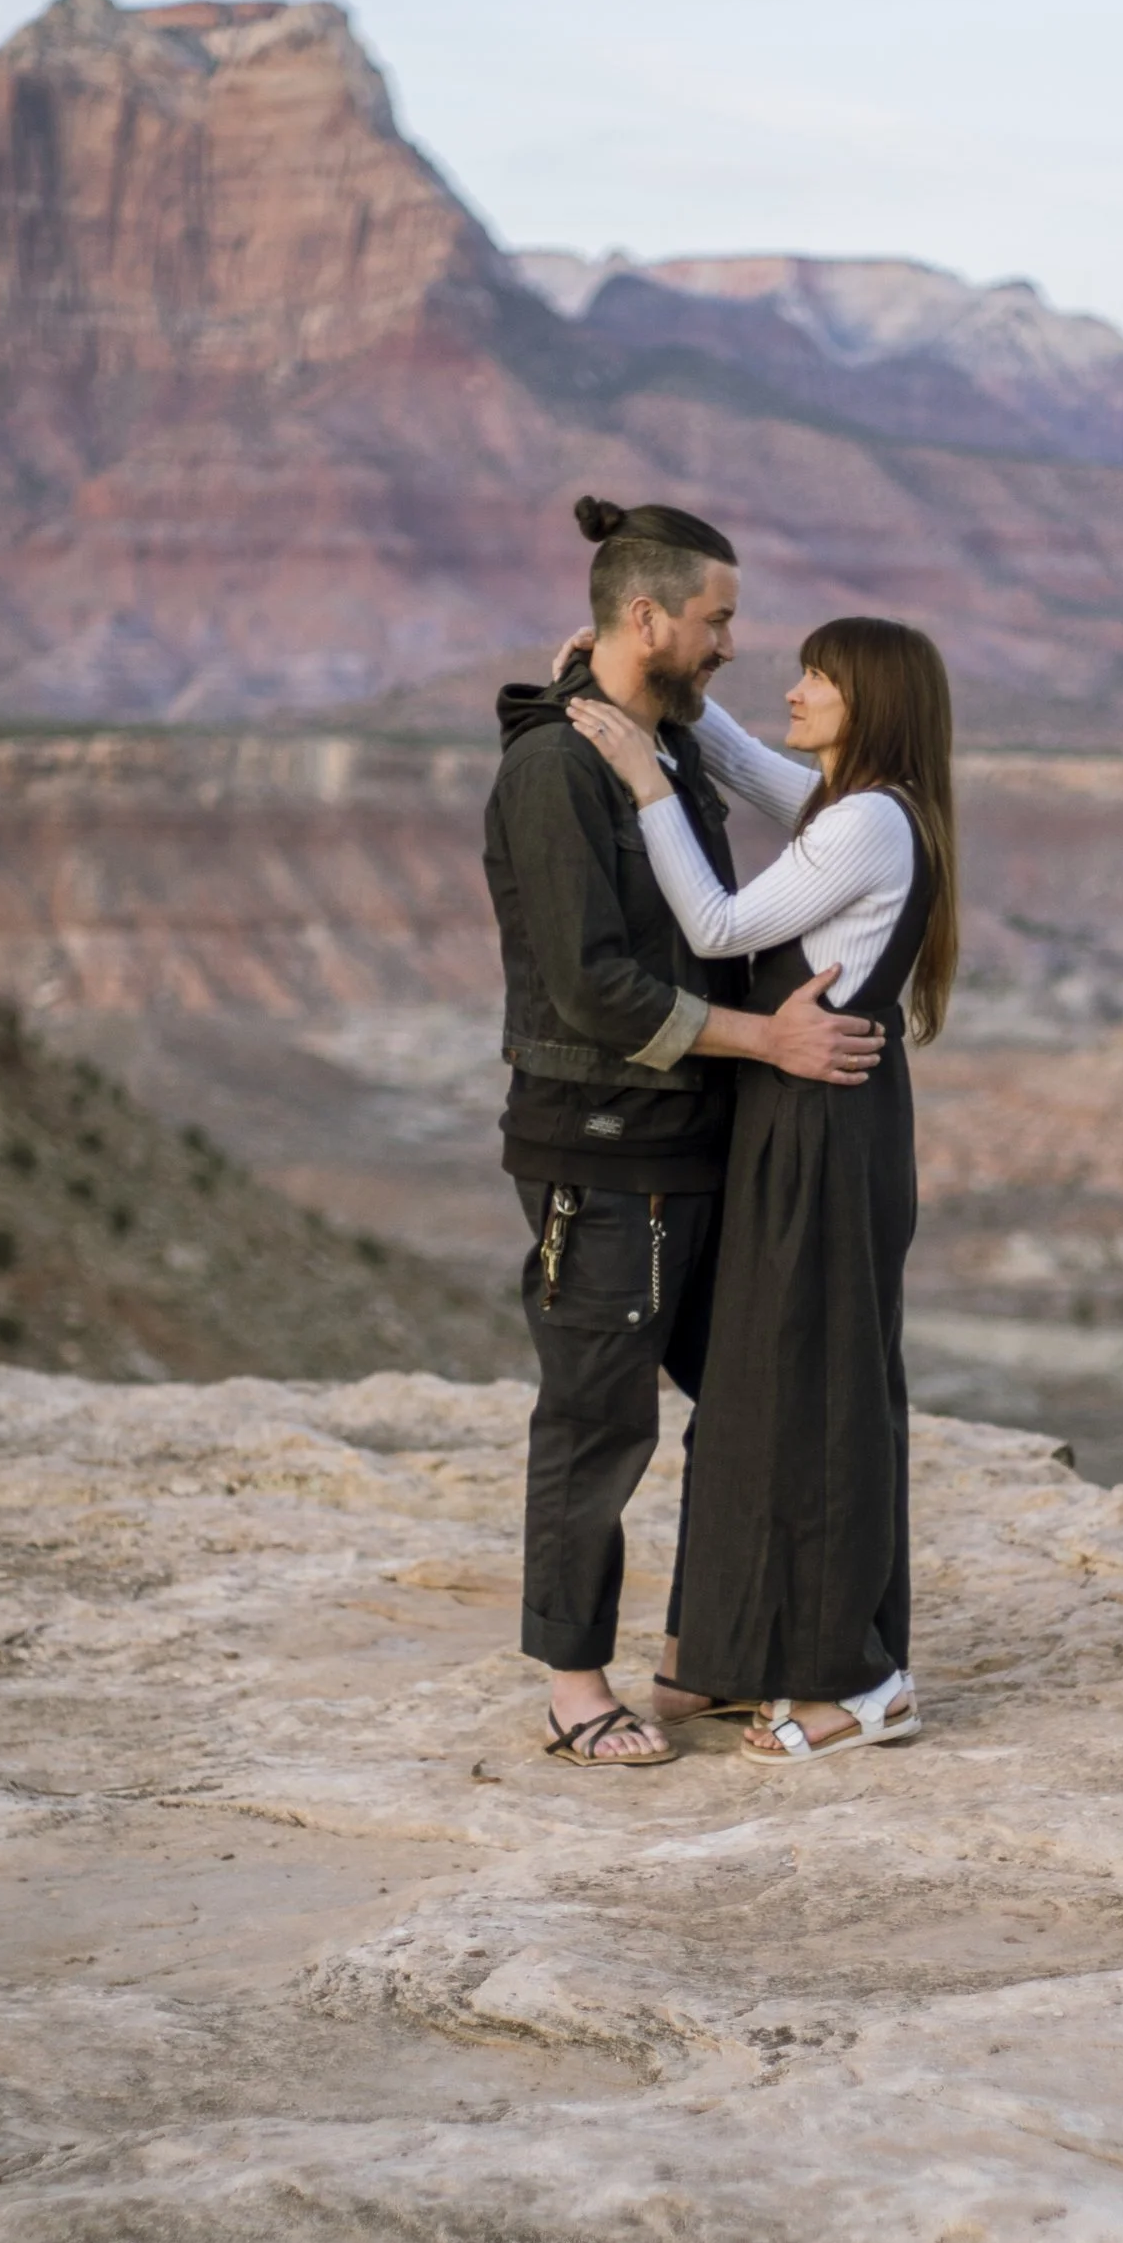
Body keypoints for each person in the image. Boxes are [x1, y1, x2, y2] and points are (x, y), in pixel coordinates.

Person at [482, 499, 881, 1769]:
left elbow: (787, 828)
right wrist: (767, 1042)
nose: (728, 646)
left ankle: (705, 1659)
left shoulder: (658, 743)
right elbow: (595, 986)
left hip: (695, 1143)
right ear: (646, 615)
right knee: (598, 1421)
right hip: (598, 1155)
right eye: (714, 621)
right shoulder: (555, 769)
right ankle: (573, 1687)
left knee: (753, 1402)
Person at [568, 615, 960, 1760]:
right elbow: (744, 763)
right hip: (796, 1117)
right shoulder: (857, 808)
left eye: (818, 681)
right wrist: (657, 686)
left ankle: (860, 1681)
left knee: (820, 1395)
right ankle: (721, 1651)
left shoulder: (871, 826)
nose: (793, 690)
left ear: (870, 704)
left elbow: (719, 922)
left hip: (826, 1129)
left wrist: (644, 779)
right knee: (754, 1382)